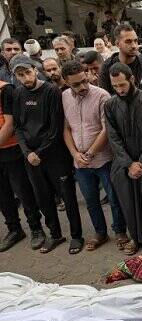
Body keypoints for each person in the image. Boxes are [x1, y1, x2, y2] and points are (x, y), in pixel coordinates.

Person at [11, 55, 83, 254]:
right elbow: (17, 126)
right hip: (31, 158)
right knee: (43, 198)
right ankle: (55, 234)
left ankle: (77, 236)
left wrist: (38, 152)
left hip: (55, 156)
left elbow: (55, 128)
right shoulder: (18, 93)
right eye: (20, 75)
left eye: (28, 72)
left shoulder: (51, 91)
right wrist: (27, 152)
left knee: (68, 197)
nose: (26, 78)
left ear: (35, 70)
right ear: (16, 77)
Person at [61, 60, 128, 251]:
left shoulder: (102, 95)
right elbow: (66, 128)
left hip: (104, 159)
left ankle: (120, 231)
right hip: (80, 163)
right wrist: (75, 154)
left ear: (87, 74)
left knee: (114, 198)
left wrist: (90, 152)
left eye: (84, 80)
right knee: (91, 200)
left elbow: (107, 129)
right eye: (76, 84)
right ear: (66, 82)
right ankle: (100, 233)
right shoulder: (64, 96)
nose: (82, 86)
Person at [105, 62, 142, 255]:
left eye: (122, 84)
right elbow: (113, 137)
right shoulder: (110, 105)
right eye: (115, 86)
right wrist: (129, 164)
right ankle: (136, 238)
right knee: (128, 203)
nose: (119, 90)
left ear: (132, 79)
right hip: (123, 164)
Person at [0, 66, 46, 252]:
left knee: (23, 191)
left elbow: (10, 124)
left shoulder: (5, 89)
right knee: (3, 195)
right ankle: (14, 229)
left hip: (12, 150)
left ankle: (36, 228)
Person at [99, 24, 142, 95]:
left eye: (135, 41)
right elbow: (106, 96)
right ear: (117, 44)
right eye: (128, 41)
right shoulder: (106, 67)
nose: (134, 46)